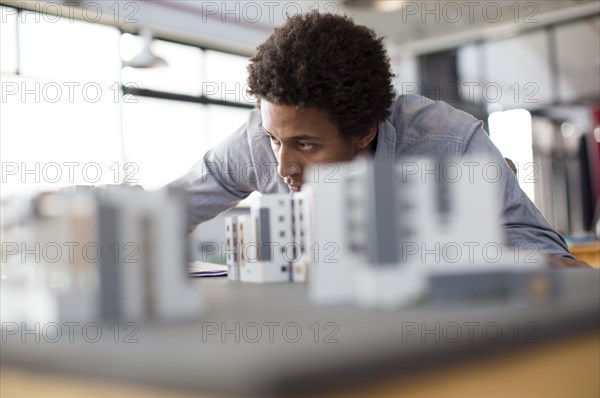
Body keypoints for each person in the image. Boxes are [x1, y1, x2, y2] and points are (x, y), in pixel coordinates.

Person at [169, 11, 576, 261]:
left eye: (306, 145)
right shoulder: (256, 140)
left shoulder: (449, 143)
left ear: (364, 131)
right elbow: (169, 210)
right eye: (275, 140)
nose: (283, 166)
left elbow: (547, 252)